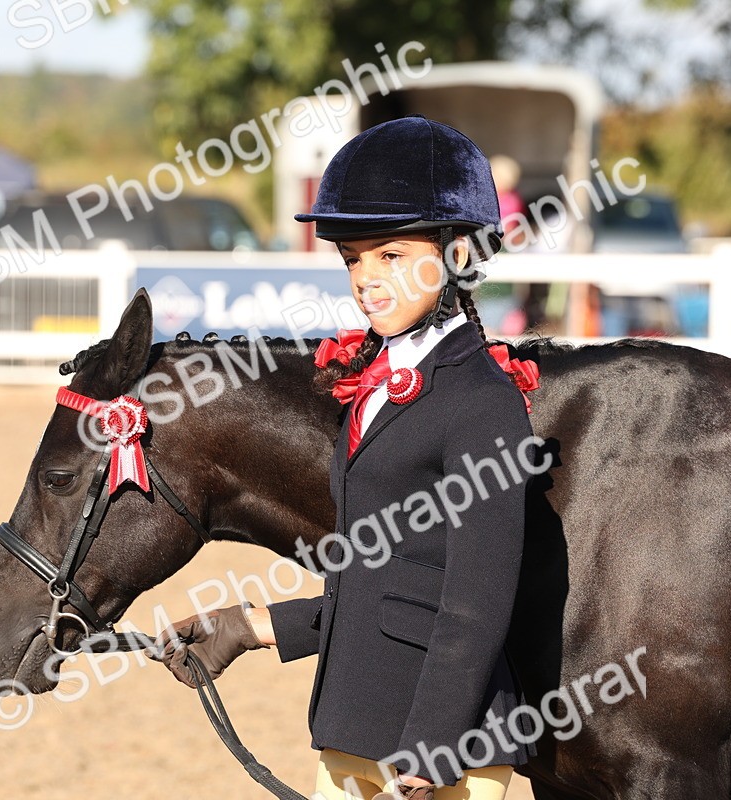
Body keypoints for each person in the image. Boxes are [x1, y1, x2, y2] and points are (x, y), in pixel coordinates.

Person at [154, 116, 538, 800]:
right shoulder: (374, 391)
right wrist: (250, 628)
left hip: (440, 752)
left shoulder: (484, 403)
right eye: (352, 258)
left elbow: (476, 601)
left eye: (389, 256)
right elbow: (378, 579)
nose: (366, 278)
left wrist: (432, 751)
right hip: (354, 728)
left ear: (455, 254)